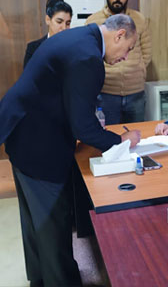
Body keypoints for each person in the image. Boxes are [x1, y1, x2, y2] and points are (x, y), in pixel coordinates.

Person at [0, 14, 140, 287]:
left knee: (33, 220)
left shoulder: (79, 37)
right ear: (120, 35)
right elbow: (84, 128)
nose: (125, 57)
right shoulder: (89, 57)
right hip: (40, 144)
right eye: (128, 49)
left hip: (21, 133)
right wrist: (122, 141)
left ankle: (40, 279)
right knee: (53, 225)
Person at [85, 0, 151, 124]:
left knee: (137, 137)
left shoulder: (139, 20)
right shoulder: (93, 21)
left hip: (136, 93)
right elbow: (91, 56)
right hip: (106, 93)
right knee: (110, 138)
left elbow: (147, 53)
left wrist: (137, 68)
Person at [23, 0, 73, 67]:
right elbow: (28, 77)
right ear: (48, 20)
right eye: (59, 22)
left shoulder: (74, 47)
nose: (64, 28)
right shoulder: (33, 49)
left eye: (68, 23)